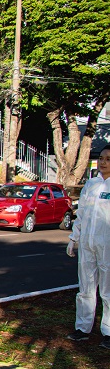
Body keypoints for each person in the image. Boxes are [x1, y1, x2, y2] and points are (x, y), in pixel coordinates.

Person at [67, 144, 110, 349]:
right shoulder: (91, 185)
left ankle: (108, 331)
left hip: (107, 244)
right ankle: (83, 328)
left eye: (108, 159)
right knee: (85, 288)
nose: (103, 162)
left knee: (108, 291)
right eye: (101, 158)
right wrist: (74, 238)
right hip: (87, 244)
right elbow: (81, 213)